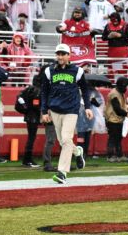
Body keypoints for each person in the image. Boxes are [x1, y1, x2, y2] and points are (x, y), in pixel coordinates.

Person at [39, 43, 95, 184]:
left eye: (63, 54)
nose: (60, 56)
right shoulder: (48, 71)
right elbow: (44, 92)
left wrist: (87, 107)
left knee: (65, 139)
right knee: (63, 141)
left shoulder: (78, 71)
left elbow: (85, 90)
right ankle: (77, 152)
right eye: (58, 53)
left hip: (71, 110)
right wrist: (44, 111)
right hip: (55, 110)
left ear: (69, 56)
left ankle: (62, 172)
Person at [14, 72, 43, 168]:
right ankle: (27, 160)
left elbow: (19, 97)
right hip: (33, 117)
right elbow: (36, 105)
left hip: (29, 116)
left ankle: (27, 159)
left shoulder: (29, 89)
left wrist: (25, 108)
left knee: (31, 138)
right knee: (31, 138)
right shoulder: (37, 91)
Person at [104, 77, 128, 161]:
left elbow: (120, 107)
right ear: (122, 85)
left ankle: (119, 155)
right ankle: (110, 156)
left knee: (118, 138)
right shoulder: (114, 94)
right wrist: (127, 114)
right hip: (112, 119)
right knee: (112, 138)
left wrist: (126, 106)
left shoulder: (120, 92)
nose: (126, 88)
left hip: (118, 119)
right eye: (125, 86)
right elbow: (117, 109)